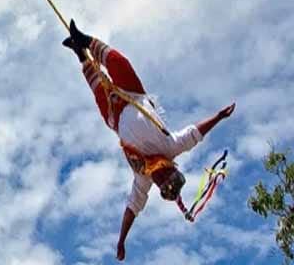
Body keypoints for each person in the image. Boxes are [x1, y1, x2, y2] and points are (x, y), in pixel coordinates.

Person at [63, 20, 236, 260]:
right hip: (134, 95)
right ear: (171, 169)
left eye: (160, 181)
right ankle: (86, 41)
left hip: (115, 118)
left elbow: (132, 209)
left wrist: (121, 241)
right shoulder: (171, 147)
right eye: (165, 175)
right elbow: (195, 134)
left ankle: (80, 54)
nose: (159, 176)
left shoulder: (143, 178)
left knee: (98, 89)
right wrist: (218, 117)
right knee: (120, 64)